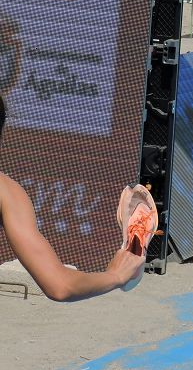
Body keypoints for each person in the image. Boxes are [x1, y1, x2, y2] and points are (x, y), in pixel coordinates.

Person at [0, 96, 148, 300]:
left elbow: (61, 285)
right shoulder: (7, 192)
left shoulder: (7, 193)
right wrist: (116, 276)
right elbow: (60, 286)